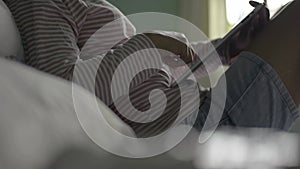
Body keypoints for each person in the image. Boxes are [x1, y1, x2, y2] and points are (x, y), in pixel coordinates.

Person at [4, 0, 299, 137]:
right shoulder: (41, 3)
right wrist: (146, 45)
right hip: (195, 129)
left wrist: (227, 48)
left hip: (197, 112)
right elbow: (63, 88)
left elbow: (161, 66)